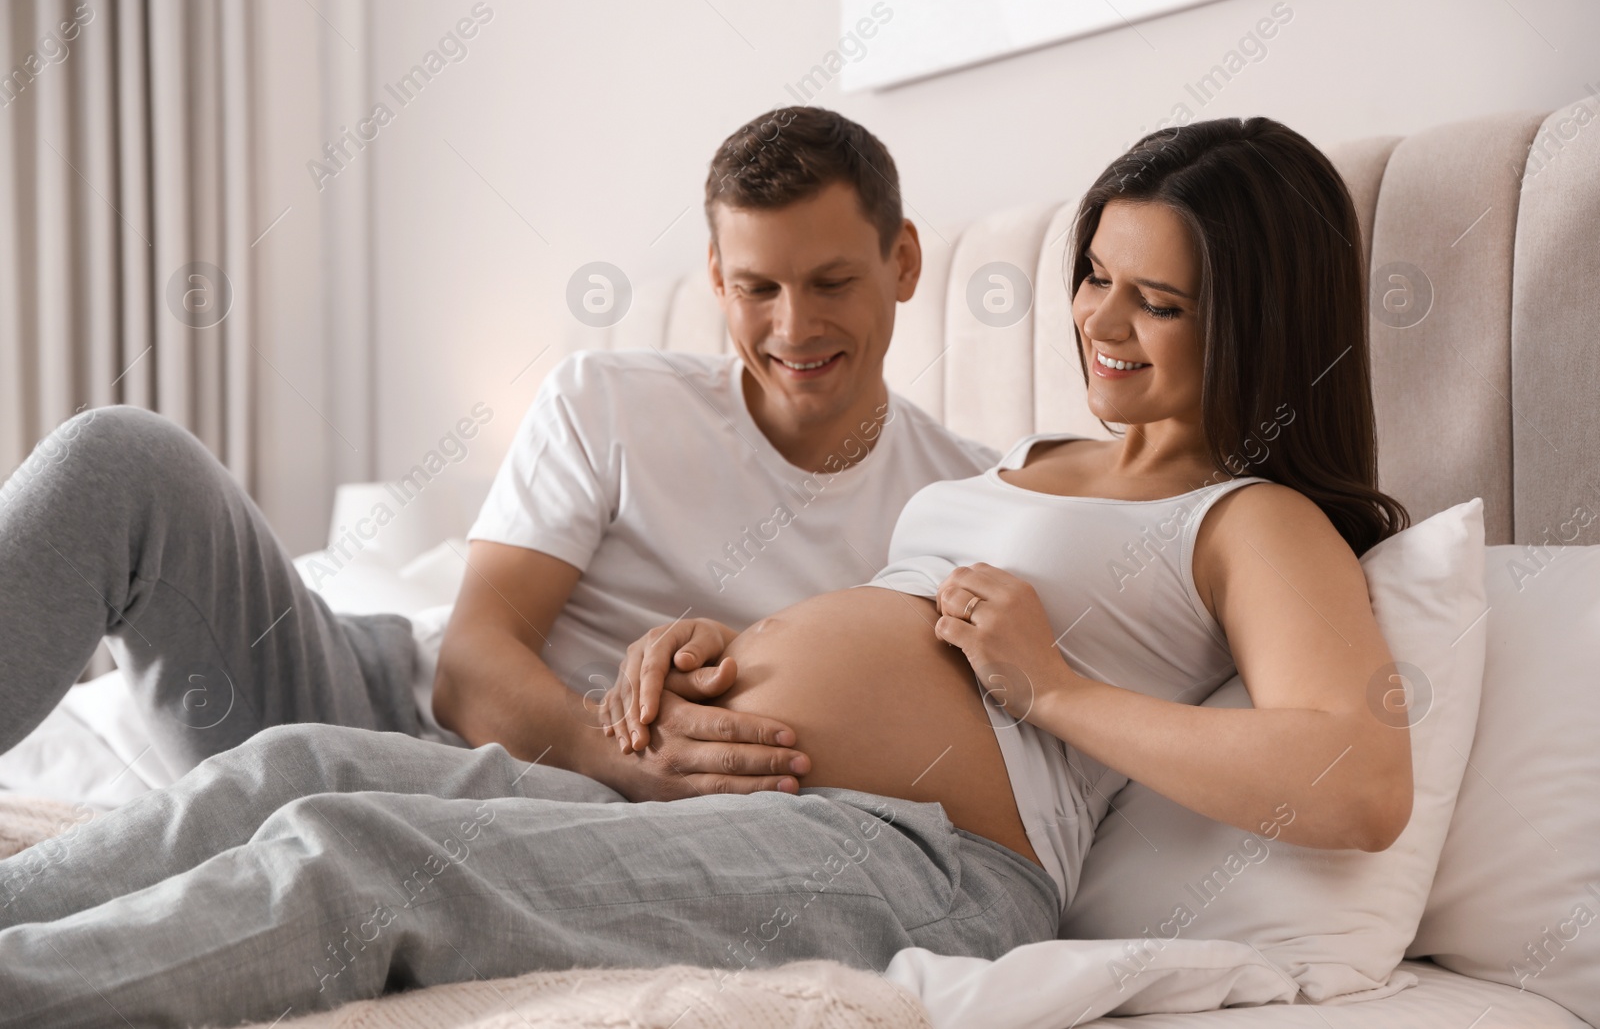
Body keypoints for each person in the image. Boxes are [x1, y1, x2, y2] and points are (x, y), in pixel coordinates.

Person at [0, 117, 1415, 1028]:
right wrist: (707, 646)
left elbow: (1353, 783)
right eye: (1096, 275)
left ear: (1259, 313)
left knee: (353, 860)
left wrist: (1053, 686)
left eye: (1154, 299)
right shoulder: (1017, 458)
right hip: (789, 805)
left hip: (927, 860)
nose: (1103, 318)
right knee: (287, 768)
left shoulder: (1251, 518)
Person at [0, 106, 995, 798]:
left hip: (542, 816)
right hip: (369, 707)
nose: (792, 327)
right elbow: (471, 667)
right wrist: (621, 756)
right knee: (118, 459)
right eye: (756, 288)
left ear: (901, 259)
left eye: (830, 282)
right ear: (715, 275)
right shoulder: (607, 398)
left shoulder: (966, 501)